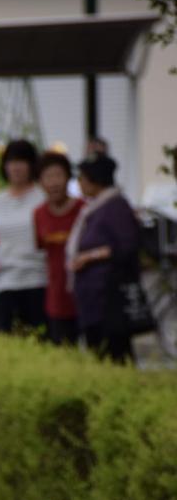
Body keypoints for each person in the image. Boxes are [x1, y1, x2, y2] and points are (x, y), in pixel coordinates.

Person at [66, 153, 141, 363]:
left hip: (109, 297)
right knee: (97, 351)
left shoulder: (115, 206)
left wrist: (89, 256)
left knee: (113, 354)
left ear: (95, 179)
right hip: (92, 297)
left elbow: (126, 246)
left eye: (81, 178)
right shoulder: (94, 207)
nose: (79, 183)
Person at [0, 138, 46, 333]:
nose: (16, 167)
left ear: (31, 165)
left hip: (39, 280)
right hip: (6, 282)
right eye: (11, 162)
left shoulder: (43, 197)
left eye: (22, 161)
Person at [34, 151, 83, 345]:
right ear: (40, 182)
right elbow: (40, 249)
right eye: (48, 177)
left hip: (83, 294)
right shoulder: (39, 214)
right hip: (55, 297)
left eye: (58, 175)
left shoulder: (83, 209)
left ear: (68, 178)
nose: (54, 182)